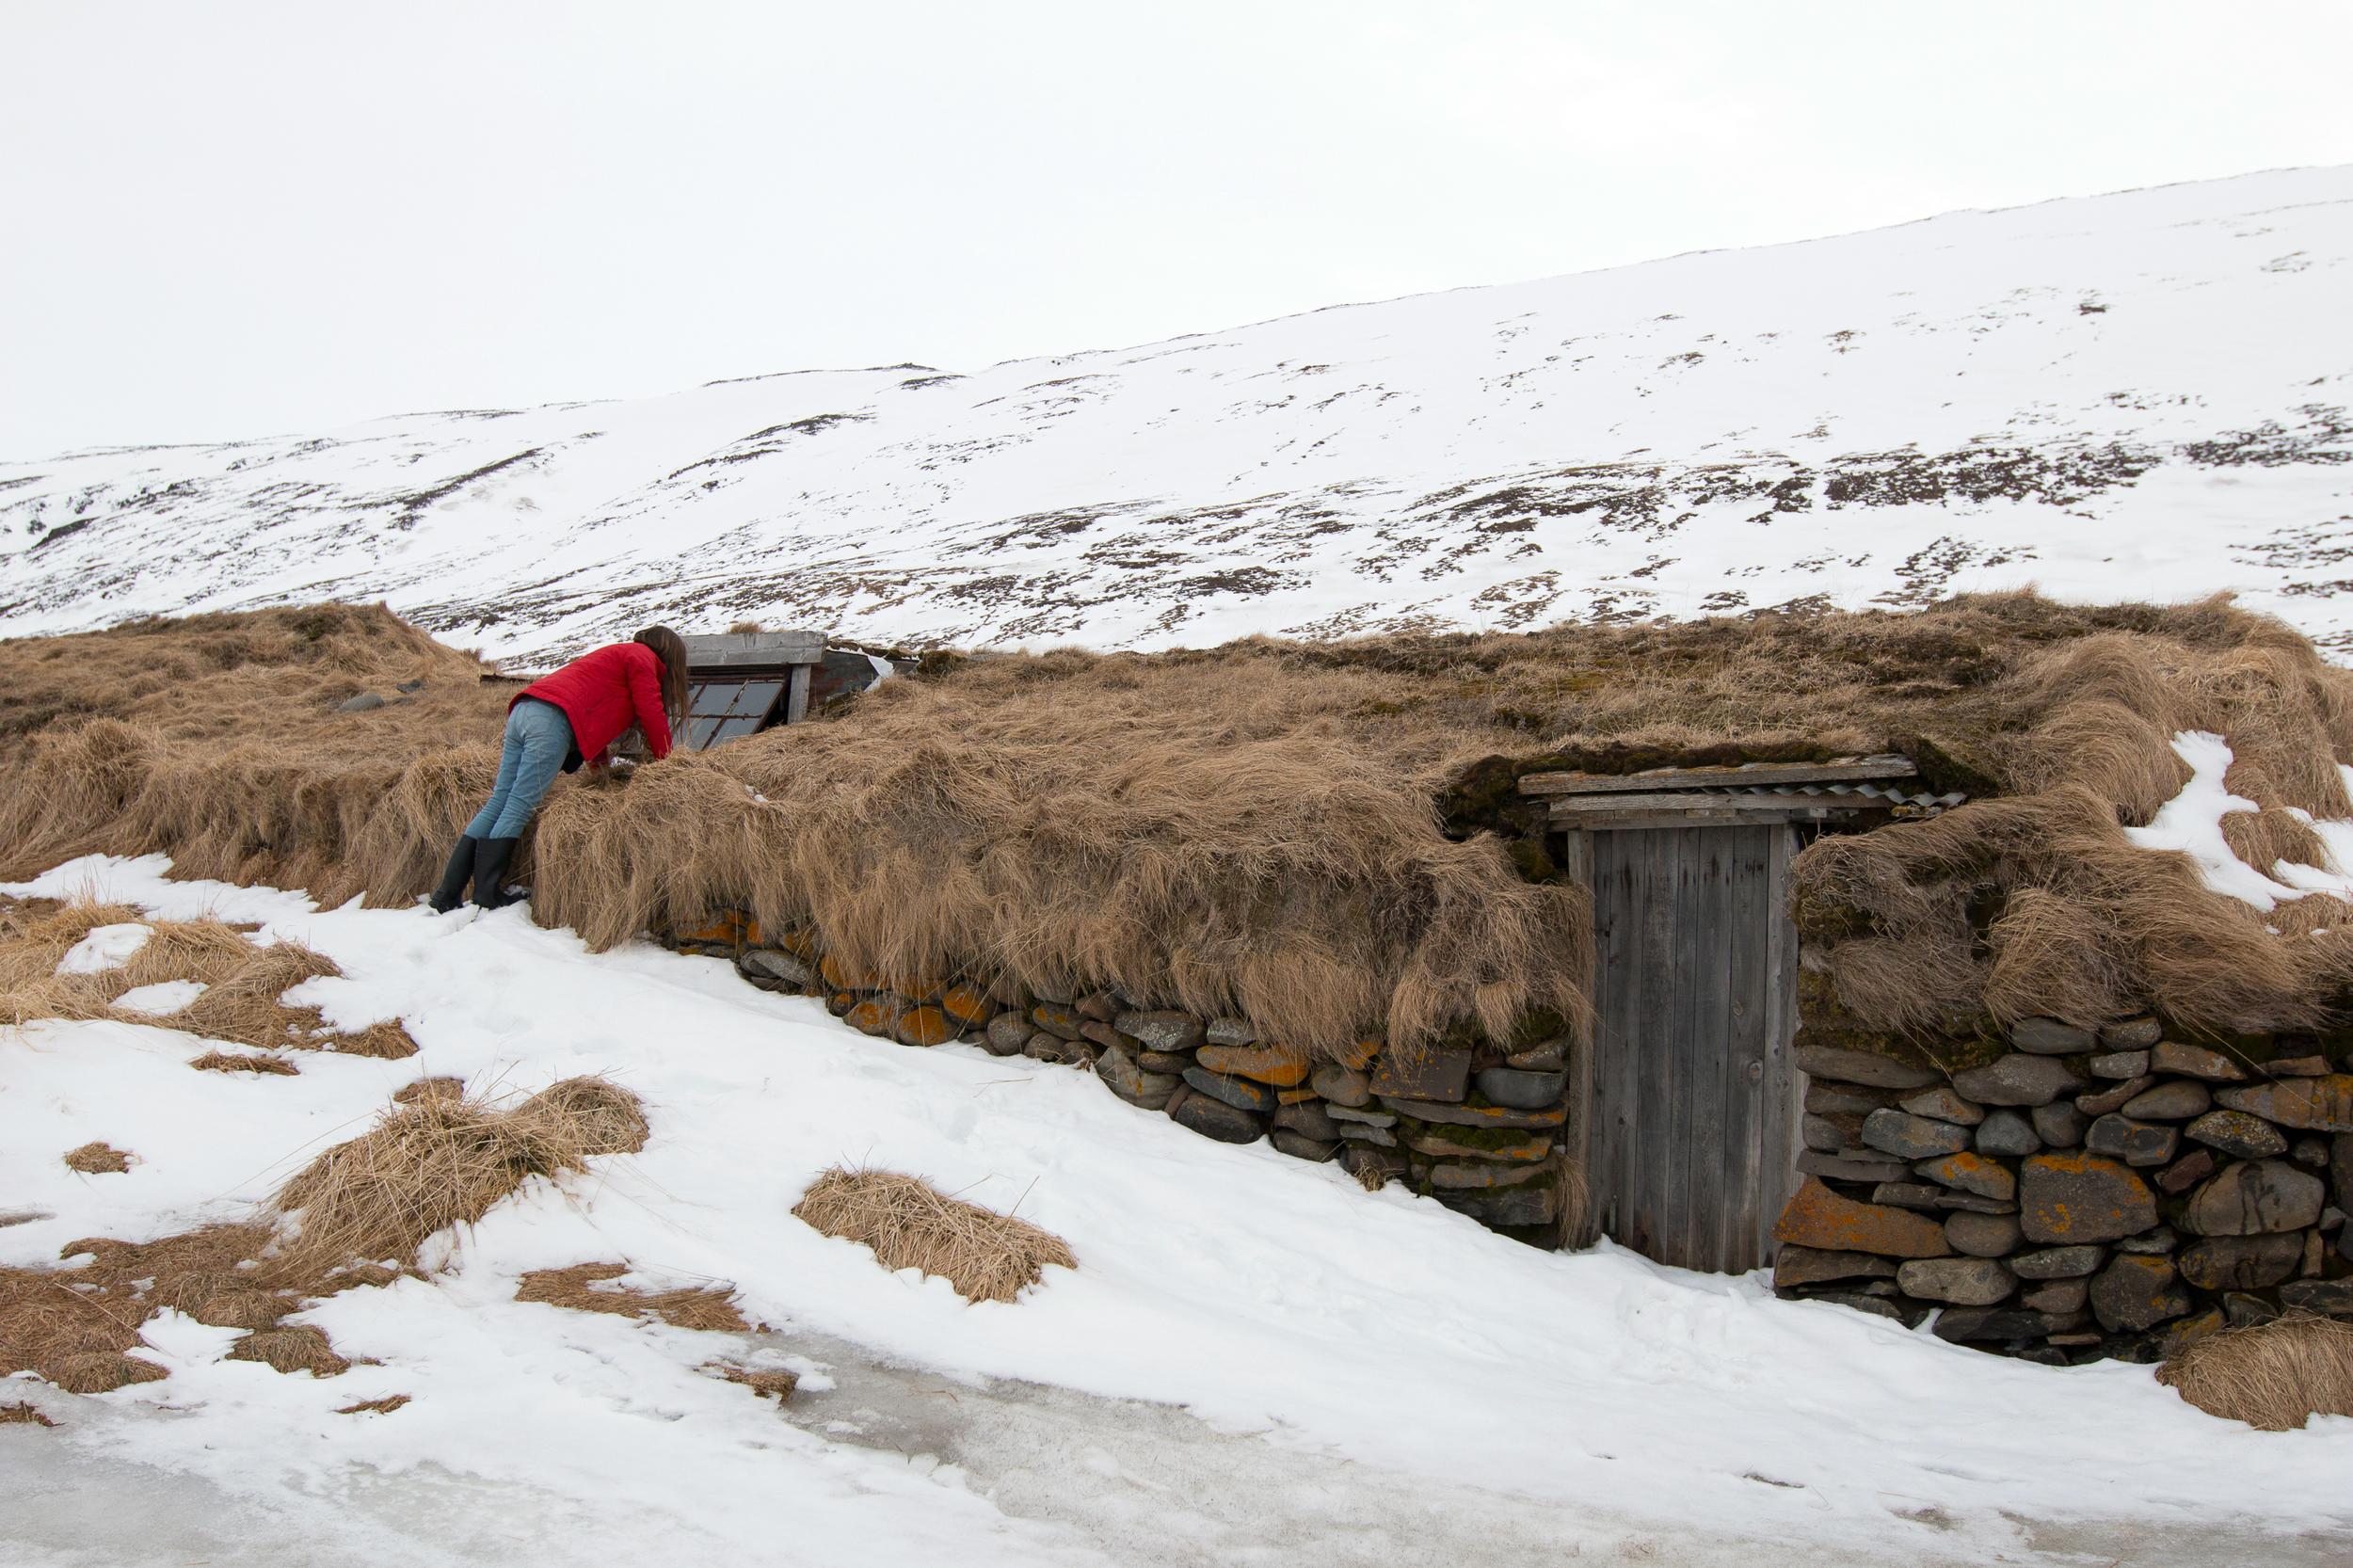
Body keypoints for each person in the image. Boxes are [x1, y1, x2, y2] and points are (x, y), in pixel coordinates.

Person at [428, 627, 689, 911]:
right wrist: (667, 764)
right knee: (518, 805)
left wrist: (600, 773)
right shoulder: (642, 657)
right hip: (551, 720)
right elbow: (651, 710)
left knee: (499, 800)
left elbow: (595, 719)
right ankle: (487, 893)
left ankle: (447, 894)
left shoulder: (617, 655)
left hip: (525, 709)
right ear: (670, 652)